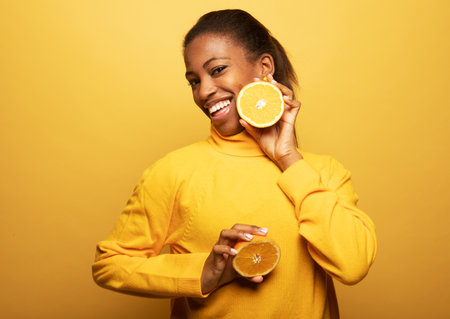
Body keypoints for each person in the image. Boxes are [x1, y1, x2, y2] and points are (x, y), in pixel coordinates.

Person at [92, 9, 377, 319]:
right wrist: (205, 273)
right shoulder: (174, 172)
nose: (203, 91)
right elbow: (111, 263)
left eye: (217, 70)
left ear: (264, 68)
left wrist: (288, 158)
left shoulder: (321, 172)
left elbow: (353, 265)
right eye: (193, 81)